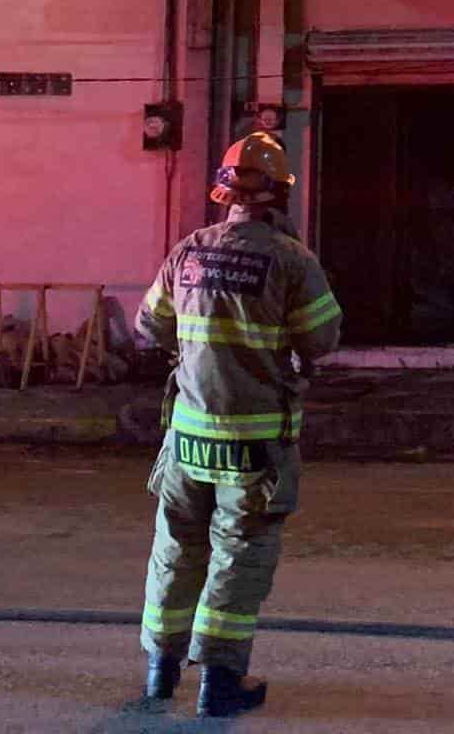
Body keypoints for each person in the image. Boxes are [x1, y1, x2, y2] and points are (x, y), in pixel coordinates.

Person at [136, 131, 341, 717]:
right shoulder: (292, 260)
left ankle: (160, 671)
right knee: (239, 556)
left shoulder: (188, 251)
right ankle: (220, 684)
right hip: (253, 447)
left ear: (223, 191)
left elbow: (148, 328)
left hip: (187, 437)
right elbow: (322, 338)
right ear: (279, 195)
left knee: (175, 551)